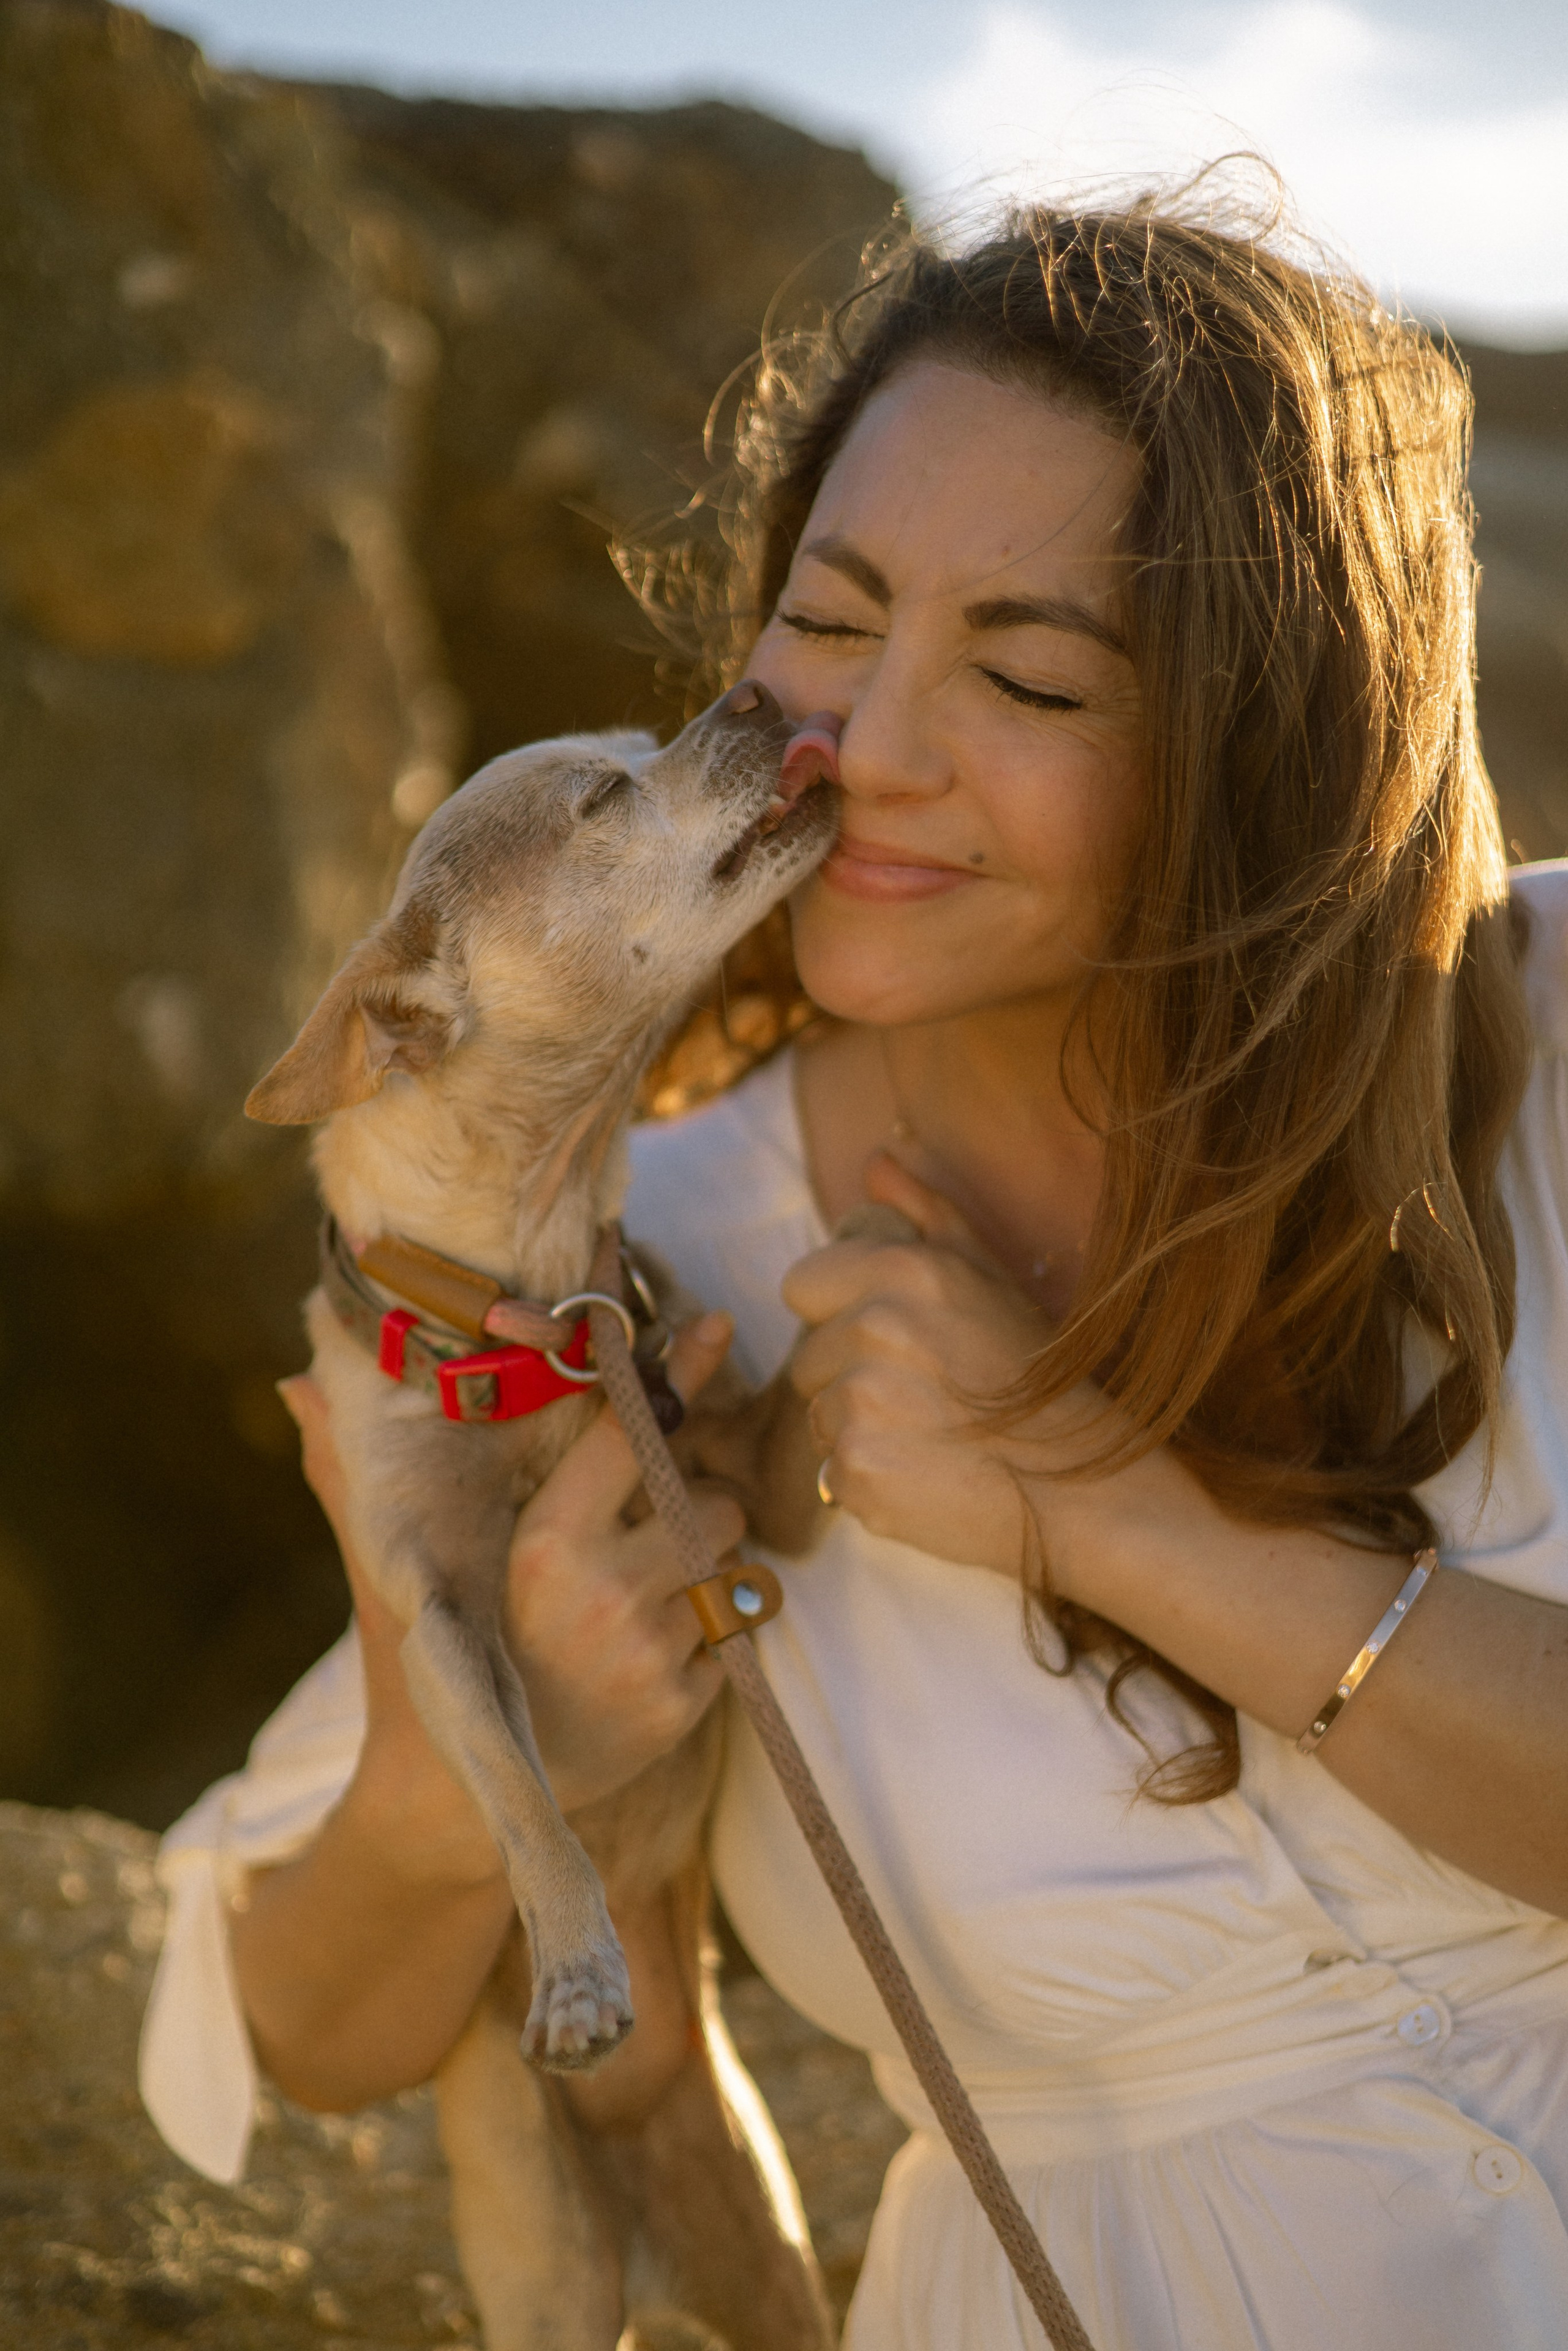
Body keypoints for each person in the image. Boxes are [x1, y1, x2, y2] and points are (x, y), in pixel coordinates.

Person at [140, 192, 1568, 2348]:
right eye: (826, 621)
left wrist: (1110, 1511)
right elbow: (297, 2026)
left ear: (1271, 745)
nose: (858, 749)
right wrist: (473, 1767)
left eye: (1029, 674)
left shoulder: (1549, 1025)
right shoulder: (642, 1283)